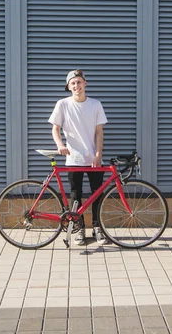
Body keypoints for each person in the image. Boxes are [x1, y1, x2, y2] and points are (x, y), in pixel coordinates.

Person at [48, 69, 108, 245]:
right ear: (68, 86)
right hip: (73, 159)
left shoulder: (95, 104)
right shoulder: (63, 104)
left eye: (79, 82)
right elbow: (55, 128)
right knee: (76, 195)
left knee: (98, 195)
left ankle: (98, 228)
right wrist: (60, 145)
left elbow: (99, 132)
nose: (77, 86)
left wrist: (98, 155)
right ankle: (79, 228)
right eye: (73, 83)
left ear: (85, 84)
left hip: (94, 159)